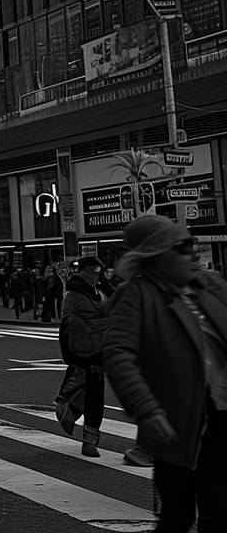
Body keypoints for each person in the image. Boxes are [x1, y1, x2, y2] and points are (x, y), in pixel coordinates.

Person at [105, 215, 227, 531]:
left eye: (193, 243)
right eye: (184, 247)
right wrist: (147, 411)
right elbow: (119, 357)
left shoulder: (208, 286)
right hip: (179, 425)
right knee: (180, 516)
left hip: (222, 417)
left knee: (216, 513)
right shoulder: (136, 296)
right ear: (156, 256)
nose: (195, 253)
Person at [55, 256, 110, 457]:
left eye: (99, 270)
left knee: (92, 395)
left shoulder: (98, 291)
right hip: (85, 353)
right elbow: (80, 321)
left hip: (98, 352)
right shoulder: (76, 295)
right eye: (95, 269)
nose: (98, 274)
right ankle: (88, 441)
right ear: (85, 270)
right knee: (91, 395)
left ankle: (89, 440)